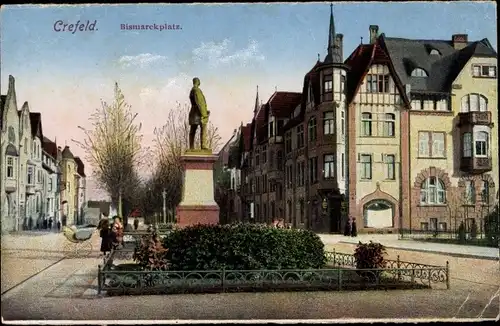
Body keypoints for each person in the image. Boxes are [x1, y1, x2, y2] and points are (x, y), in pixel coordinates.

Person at [188, 77, 210, 150]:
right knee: (203, 127)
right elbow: (200, 103)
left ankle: (191, 147)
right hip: (198, 113)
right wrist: (204, 114)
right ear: (198, 82)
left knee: (193, 130)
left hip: (193, 112)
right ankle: (203, 146)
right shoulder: (197, 90)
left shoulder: (192, 90)